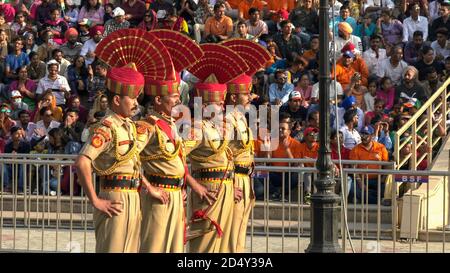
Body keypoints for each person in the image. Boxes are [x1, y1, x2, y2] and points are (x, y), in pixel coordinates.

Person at [74, 64, 168, 253]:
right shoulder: (107, 127)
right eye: (131, 98)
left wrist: (149, 188)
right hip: (114, 196)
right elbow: (82, 162)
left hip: (132, 196)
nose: (136, 103)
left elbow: (131, 163)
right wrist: (95, 201)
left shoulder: (128, 126)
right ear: (117, 100)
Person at [185, 43, 247, 253]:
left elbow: (227, 157)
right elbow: (176, 159)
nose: (222, 107)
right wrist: (195, 186)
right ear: (203, 106)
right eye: (216, 103)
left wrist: (231, 185)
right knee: (205, 242)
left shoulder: (219, 127)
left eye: (221, 103)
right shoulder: (194, 128)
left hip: (225, 188)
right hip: (207, 190)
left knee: (223, 244)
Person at [223, 38, 271, 253]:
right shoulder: (226, 119)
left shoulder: (242, 118)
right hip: (233, 179)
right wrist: (231, 184)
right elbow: (225, 155)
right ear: (233, 96)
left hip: (246, 178)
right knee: (230, 231)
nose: (250, 97)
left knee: (241, 230)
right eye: (246, 93)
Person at [349, 125, 389, 204]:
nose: (364, 136)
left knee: (387, 188)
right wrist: (360, 183)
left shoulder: (381, 147)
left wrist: (383, 178)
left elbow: (387, 165)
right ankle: (377, 200)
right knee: (352, 188)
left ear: (372, 136)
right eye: (362, 134)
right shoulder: (355, 149)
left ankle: (364, 198)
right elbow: (354, 168)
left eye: (366, 134)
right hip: (362, 179)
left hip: (378, 179)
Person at [2, 126, 31, 193]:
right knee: (2, 165)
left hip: (22, 168)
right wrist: (10, 158)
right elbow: (6, 161)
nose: (19, 136)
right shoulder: (8, 146)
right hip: (11, 168)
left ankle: (21, 188)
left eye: (21, 134)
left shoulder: (26, 145)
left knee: (22, 164)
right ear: (11, 135)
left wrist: (18, 157)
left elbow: (27, 158)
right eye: (17, 133)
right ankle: (6, 186)